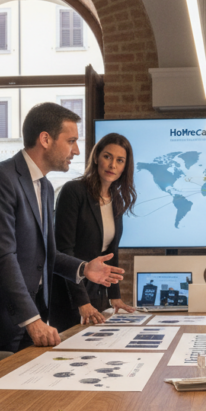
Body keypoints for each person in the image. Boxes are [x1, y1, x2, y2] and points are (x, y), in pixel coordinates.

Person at [0, 102, 124, 351]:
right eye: (71, 140)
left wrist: (84, 268)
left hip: (32, 317)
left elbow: (47, 254)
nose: (76, 150)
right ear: (45, 139)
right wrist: (32, 321)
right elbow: (3, 257)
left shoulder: (45, 187)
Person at [50, 133, 138, 332]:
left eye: (120, 160)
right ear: (97, 157)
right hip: (71, 295)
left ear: (125, 166)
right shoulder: (73, 192)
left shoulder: (116, 199)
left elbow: (111, 252)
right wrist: (83, 302)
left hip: (99, 295)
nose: (112, 165)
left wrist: (115, 296)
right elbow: (64, 251)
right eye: (107, 156)